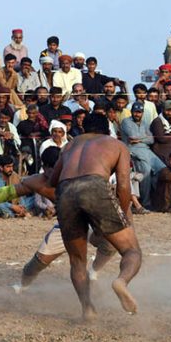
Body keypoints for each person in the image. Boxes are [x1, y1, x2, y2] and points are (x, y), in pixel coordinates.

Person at [0, 146, 116, 290]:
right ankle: (22, 286)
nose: (56, 172)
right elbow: (6, 193)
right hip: (69, 226)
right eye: (51, 168)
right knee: (35, 265)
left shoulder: (83, 175)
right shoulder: (39, 181)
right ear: (46, 167)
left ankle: (94, 272)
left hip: (92, 220)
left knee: (111, 243)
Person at [49, 114, 142, 319]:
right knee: (131, 251)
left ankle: (87, 309)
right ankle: (121, 282)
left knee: (77, 261)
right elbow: (124, 185)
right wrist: (123, 213)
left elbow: (53, 180)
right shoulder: (115, 144)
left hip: (65, 191)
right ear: (107, 130)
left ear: (85, 130)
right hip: (94, 186)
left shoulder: (69, 146)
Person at [121, 101, 166, 208]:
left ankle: (159, 201)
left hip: (146, 150)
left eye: (139, 112)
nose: (137, 114)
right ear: (131, 112)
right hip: (133, 150)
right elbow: (132, 136)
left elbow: (151, 139)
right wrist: (143, 138)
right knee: (146, 171)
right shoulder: (126, 121)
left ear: (142, 112)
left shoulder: (145, 122)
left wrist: (140, 139)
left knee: (162, 169)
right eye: (135, 112)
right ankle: (145, 202)